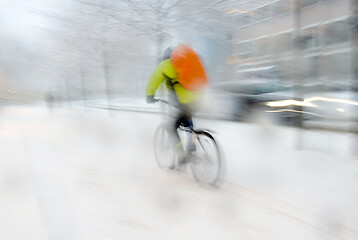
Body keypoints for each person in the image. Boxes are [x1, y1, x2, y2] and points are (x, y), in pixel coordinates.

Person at [145, 44, 207, 167]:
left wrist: (149, 95)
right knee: (189, 123)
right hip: (199, 100)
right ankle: (192, 146)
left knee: (171, 127)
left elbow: (154, 79)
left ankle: (181, 156)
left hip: (183, 103)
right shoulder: (187, 64)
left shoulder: (166, 64)